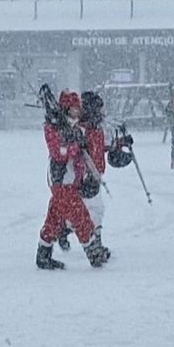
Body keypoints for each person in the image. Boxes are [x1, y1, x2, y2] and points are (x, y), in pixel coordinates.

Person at [36, 90, 108, 270]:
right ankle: (94, 252)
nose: (77, 114)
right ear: (66, 109)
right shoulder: (53, 127)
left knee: (55, 218)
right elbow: (58, 153)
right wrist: (73, 147)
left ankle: (43, 255)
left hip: (73, 182)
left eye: (79, 110)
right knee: (80, 216)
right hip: (62, 182)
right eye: (74, 110)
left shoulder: (76, 128)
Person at [59, 91, 132, 255]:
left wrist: (121, 142)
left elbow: (107, 145)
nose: (100, 113)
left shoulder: (97, 129)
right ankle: (93, 244)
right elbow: (73, 150)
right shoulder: (80, 130)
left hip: (95, 175)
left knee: (87, 211)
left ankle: (64, 228)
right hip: (83, 177)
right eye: (97, 109)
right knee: (94, 210)